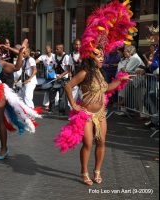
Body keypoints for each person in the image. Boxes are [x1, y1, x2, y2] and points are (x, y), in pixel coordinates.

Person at [55, 0, 137, 186]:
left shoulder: (100, 73)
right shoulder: (84, 72)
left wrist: (120, 81)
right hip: (85, 114)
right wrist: (74, 104)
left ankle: (97, 170)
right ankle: (84, 172)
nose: (102, 58)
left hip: (101, 114)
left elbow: (105, 89)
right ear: (92, 58)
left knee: (101, 143)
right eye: (99, 56)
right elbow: (68, 86)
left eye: (102, 56)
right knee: (89, 143)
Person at [48, 44, 70, 114]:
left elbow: (68, 70)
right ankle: (51, 109)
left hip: (63, 78)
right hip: (56, 77)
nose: (56, 50)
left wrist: (61, 75)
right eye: (56, 49)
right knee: (52, 93)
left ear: (61, 49)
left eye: (57, 49)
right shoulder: (54, 56)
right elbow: (55, 65)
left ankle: (61, 111)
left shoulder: (66, 57)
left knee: (61, 96)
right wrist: (52, 69)